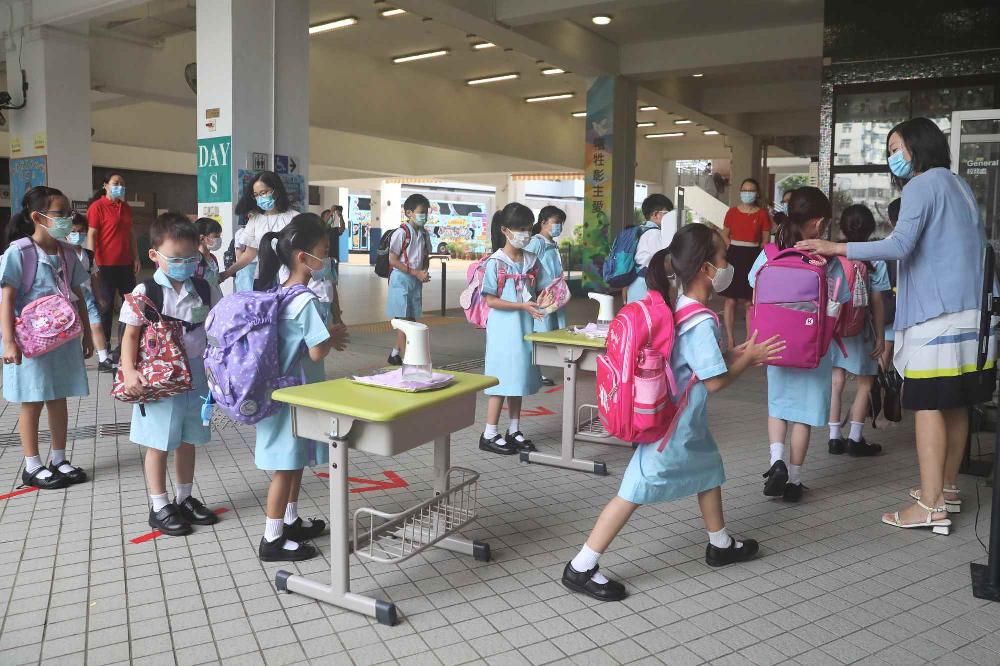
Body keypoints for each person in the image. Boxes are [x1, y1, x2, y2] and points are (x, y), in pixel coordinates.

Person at [561, 229, 784, 601]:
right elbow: (714, 381)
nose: (728, 265)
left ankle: (720, 544)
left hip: (683, 421)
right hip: (672, 428)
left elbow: (697, 366)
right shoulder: (701, 321)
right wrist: (749, 359)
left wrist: (738, 353)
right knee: (633, 490)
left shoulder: (680, 307)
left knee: (708, 470)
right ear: (706, 268)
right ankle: (581, 567)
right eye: (724, 258)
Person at [798, 117, 992, 533]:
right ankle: (946, 489)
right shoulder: (959, 185)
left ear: (918, 147)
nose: (892, 158)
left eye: (895, 149)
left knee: (927, 405)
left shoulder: (921, 186)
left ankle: (930, 505)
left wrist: (836, 247)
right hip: (971, 312)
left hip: (937, 315)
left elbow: (900, 245)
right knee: (956, 403)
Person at [253, 214, 349, 562]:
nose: (326, 258)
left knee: (295, 460)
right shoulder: (305, 300)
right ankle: (272, 538)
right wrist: (331, 336)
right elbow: (316, 351)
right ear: (302, 256)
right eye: (322, 251)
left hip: (285, 391)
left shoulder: (280, 292)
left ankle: (290, 521)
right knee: (285, 465)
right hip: (295, 393)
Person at [120, 213, 222, 536]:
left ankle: (184, 497)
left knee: (189, 438)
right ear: (154, 254)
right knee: (159, 441)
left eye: (191, 258)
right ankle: (159, 504)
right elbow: (130, 335)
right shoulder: (146, 290)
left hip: (197, 373)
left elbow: (216, 327)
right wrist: (129, 371)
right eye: (176, 259)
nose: (185, 264)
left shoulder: (204, 288)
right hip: (158, 378)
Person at [750, 187, 850, 503]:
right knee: (803, 416)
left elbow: (754, 284)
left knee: (778, 407)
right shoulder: (827, 259)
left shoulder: (770, 253)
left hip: (775, 345)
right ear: (818, 223)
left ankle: (776, 461)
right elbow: (842, 298)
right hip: (813, 349)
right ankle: (794, 480)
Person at [1, 186, 94, 490]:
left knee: (58, 397)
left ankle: (59, 459)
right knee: (32, 400)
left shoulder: (67, 253)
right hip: (30, 344)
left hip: (63, 339)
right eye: (61, 213)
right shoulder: (19, 252)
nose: (68, 218)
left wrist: (87, 334)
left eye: (69, 212)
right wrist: (8, 342)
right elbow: (6, 299)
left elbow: (78, 294)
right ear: (37, 217)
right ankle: (32, 465)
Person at [479, 204, 554, 455]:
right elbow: (490, 300)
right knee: (501, 378)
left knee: (519, 377)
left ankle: (514, 429)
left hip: (525, 328)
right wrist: (522, 305)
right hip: (503, 330)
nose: (525, 234)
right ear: (505, 230)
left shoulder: (531, 260)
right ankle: (489, 433)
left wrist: (545, 299)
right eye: (520, 229)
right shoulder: (495, 263)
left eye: (528, 229)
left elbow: (543, 288)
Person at [828, 205, 888, 457]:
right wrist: (881, 336)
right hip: (860, 328)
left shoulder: (832, 254)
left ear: (842, 227)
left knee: (836, 380)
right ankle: (854, 438)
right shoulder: (875, 258)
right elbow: (877, 301)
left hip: (834, 328)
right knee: (865, 382)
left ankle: (834, 437)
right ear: (870, 228)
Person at [87, 173, 139, 357]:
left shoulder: (126, 207)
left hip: (125, 264)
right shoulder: (97, 207)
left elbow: (130, 234)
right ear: (105, 185)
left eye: (122, 184)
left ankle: (124, 343)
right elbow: (92, 235)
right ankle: (104, 345)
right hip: (104, 265)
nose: (120, 187)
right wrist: (91, 261)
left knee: (130, 305)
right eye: (116, 183)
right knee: (106, 306)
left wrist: (136, 257)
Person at [721, 178, 772, 350]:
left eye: (751, 190)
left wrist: (760, 258)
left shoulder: (762, 214)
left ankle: (750, 341)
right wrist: (730, 247)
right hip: (734, 255)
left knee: (749, 302)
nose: (747, 193)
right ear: (740, 192)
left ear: (757, 193)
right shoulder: (732, 212)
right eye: (745, 190)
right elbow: (724, 234)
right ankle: (730, 339)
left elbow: (765, 240)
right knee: (730, 299)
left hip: (753, 257)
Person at [386, 194, 432, 365]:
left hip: (415, 281)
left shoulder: (424, 234)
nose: (424, 216)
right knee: (405, 320)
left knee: (409, 319)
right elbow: (392, 260)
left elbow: (425, 256)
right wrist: (416, 273)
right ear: (408, 213)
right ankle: (408, 360)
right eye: (421, 212)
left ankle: (395, 353)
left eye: (426, 212)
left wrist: (423, 272)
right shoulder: (401, 233)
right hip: (401, 281)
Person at [69, 214, 114, 373]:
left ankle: (103, 358)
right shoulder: (63, 253)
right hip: (69, 297)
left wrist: (99, 296)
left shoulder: (88, 254)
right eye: (73, 231)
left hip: (87, 296)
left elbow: (94, 276)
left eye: (81, 231)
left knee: (96, 325)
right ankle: (73, 360)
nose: (77, 235)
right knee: (72, 329)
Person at [625, 194, 675, 304]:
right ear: (656, 214)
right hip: (645, 284)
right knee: (646, 312)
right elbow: (661, 260)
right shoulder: (654, 233)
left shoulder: (641, 229)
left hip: (635, 283)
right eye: (667, 214)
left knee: (635, 312)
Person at [526, 205, 567, 333]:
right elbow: (525, 269)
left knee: (556, 331)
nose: (559, 226)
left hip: (556, 296)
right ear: (543, 222)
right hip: (542, 297)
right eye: (556, 222)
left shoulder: (553, 244)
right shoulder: (536, 242)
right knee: (543, 330)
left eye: (561, 223)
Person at [195, 217, 223, 291]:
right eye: (216, 236)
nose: (219, 239)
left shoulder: (213, 259)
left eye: (219, 236)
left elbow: (215, 282)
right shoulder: (194, 261)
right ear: (202, 238)